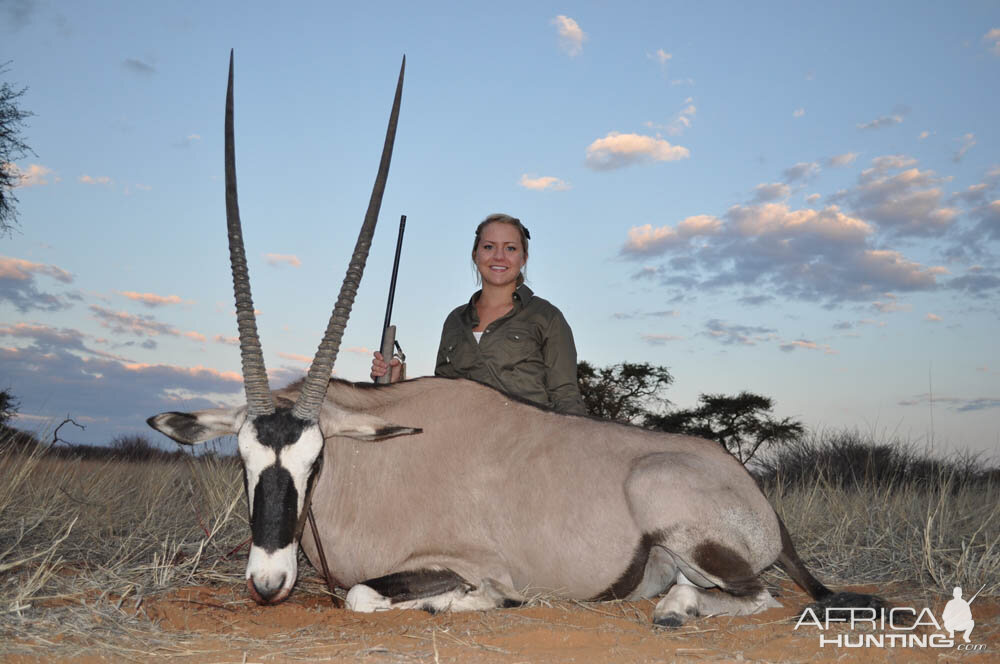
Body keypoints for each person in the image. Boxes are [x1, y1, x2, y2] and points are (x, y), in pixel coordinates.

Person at [371, 213, 586, 415]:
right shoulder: (455, 321)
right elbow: (440, 397)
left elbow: (566, 397)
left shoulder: (547, 317)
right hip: (462, 447)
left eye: (510, 248)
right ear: (476, 255)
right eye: (489, 246)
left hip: (530, 449)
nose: (499, 256)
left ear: (524, 258)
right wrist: (396, 384)